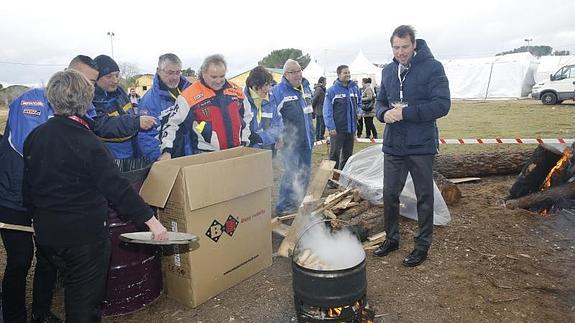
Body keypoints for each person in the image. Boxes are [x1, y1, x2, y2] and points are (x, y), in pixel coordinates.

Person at [22, 69, 168, 323]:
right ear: (86, 100)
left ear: (52, 99)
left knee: (64, 284)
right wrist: (152, 222)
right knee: (83, 306)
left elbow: (29, 187)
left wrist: (35, 218)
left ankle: (41, 313)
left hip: (47, 234)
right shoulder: (88, 141)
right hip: (83, 239)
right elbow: (117, 188)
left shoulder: (35, 136)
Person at [373, 25, 450, 267]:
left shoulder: (432, 67)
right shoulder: (387, 71)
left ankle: (422, 245)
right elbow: (379, 103)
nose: (400, 52)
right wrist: (384, 114)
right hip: (394, 144)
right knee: (389, 194)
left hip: (421, 144)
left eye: (405, 47)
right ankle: (391, 238)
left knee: (424, 196)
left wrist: (407, 113)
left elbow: (442, 105)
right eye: (396, 47)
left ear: (414, 44)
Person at [159, 54, 249, 158]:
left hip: (237, 152)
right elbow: (172, 124)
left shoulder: (237, 91)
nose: (219, 81)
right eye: (214, 77)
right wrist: (167, 150)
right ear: (204, 73)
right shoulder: (188, 96)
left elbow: (247, 116)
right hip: (206, 154)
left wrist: (245, 140)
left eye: (222, 76)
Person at [92, 55, 157, 164]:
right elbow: (102, 126)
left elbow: (129, 114)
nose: (115, 80)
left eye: (117, 75)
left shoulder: (120, 92)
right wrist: (136, 122)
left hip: (133, 153)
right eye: (109, 76)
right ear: (97, 79)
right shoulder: (92, 99)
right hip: (112, 159)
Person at [272, 59, 314, 216]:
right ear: (285, 74)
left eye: (299, 71)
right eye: (292, 72)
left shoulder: (306, 88)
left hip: (307, 139)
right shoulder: (279, 91)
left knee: (305, 173)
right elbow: (274, 118)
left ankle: (298, 203)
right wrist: (279, 136)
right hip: (290, 142)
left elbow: (309, 113)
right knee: (290, 173)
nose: (297, 74)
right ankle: (284, 207)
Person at [138, 53, 191, 161]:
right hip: (167, 158)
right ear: (158, 71)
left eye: (177, 72)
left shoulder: (190, 91)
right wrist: (159, 157)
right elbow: (146, 136)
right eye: (170, 73)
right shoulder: (149, 101)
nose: (174, 77)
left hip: (191, 153)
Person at [323, 65, 361, 171]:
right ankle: (332, 179)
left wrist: (359, 111)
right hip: (337, 129)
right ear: (339, 74)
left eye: (349, 72)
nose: (348, 75)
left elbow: (359, 103)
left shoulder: (354, 88)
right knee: (334, 154)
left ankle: (343, 178)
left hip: (351, 128)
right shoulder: (332, 91)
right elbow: (327, 110)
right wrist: (331, 127)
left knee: (348, 155)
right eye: (345, 73)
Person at [243, 66, 282, 150]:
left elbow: (278, 126)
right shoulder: (242, 101)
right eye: (266, 85)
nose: (268, 89)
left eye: (269, 85)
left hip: (268, 150)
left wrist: (261, 138)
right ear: (254, 85)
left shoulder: (271, 101)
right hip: (248, 151)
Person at [312, 76, 327, 141]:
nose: (326, 83)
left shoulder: (321, 89)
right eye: (325, 81)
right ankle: (320, 137)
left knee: (319, 124)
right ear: (322, 81)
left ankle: (318, 137)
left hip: (321, 108)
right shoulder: (319, 89)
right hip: (319, 109)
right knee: (322, 124)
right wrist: (312, 108)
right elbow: (314, 99)